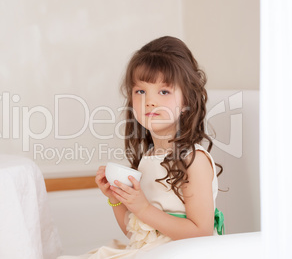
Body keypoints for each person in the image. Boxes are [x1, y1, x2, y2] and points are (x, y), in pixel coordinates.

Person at [58, 36, 224, 259]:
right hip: (151, 252)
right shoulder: (149, 158)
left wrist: (143, 207)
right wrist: (117, 199)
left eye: (163, 92)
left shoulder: (193, 159)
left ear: (186, 102)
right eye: (141, 91)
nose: (150, 101)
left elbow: (201, 232)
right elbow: (136, 233)